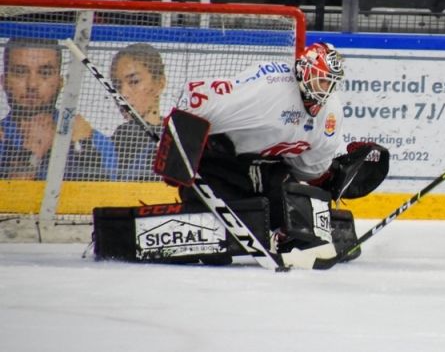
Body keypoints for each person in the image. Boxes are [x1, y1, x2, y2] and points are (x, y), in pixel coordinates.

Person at [143, 42, 389, 267]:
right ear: (304, 71)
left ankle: (278, 234)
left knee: (301, 229)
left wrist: (332, 176)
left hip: (267, 174)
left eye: (331, 83)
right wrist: (178, 152)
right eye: (322, 80)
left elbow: (308, 170)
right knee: (216, 249)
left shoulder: (330, 114)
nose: (326, 90)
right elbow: (194, 96)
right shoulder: (269, 90)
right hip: (221, 167)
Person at [0, 37, 116, 181]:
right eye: (20, 72)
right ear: (4, 82)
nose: (32, 84)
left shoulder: (92, 141)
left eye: (45, 73)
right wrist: (33, 150)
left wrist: (83, 147)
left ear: (60, 83)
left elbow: (99, 201)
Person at [108, 43, 166, 181]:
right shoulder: (121, 136)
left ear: (160, 84)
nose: (123, 94)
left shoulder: (174, 137)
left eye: (134, 82)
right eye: (116, 85)